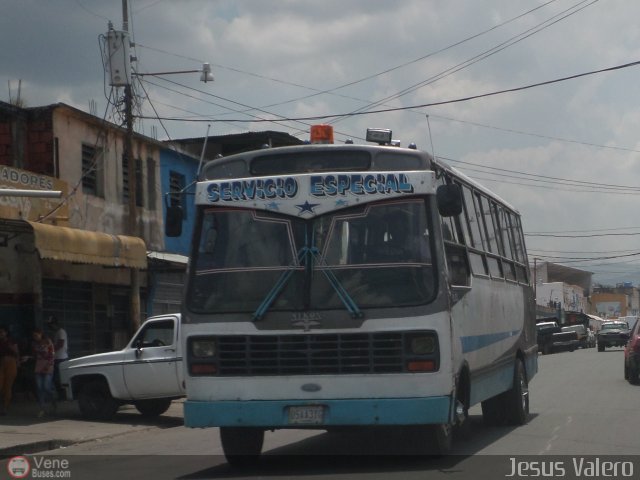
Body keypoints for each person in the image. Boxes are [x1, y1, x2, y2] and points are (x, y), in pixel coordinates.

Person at [32, 328, 55, 417]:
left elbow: (52, 355)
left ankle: (53, 400)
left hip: (48, 367)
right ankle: (42, 408)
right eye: (34, 336)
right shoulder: (34, 344)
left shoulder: (48, 342)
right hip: (38, 367)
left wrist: (48, 365)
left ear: (41, 334)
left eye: (36, 335)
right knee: (39, 388)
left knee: (46, 387)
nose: (35, 337)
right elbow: (35, 355)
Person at [46, 316, 68, 399]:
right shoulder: (56, 332)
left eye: (51, 325)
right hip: (56, 358)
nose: (50, 327)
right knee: (56, 379)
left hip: (61, 358)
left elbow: (60, 344)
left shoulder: (61, 332)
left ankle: (63, 396)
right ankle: (61, 395)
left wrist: (50, 350)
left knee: (58, 378)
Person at [0, 326, 19, 415]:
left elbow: (16, 353)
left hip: (11, 363)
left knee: (8, 386)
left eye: (2, 332)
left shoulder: (11, 341)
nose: (1, 334)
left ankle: (5, 407)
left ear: (6, 332)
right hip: (1, 363)